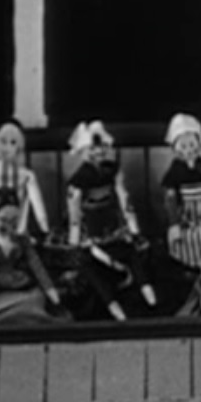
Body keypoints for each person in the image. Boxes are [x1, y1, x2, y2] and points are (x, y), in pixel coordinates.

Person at [65, 120, 156, 320]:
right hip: (92, 234)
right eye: (92, 148)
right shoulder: (78, 181)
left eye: (101, 147)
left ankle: (146, 289)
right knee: (90, 269)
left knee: (133, 253)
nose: (98, 152)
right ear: (82, 151)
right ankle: (111, 303)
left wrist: (133, 228)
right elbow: (74, 215)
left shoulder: (113, 171)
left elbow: (124, 199)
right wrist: (74, 241)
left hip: (114, 227)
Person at [0, 119, 51, 237]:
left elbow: (38, 206)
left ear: (20, 146)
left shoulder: (27, 175)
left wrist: (45, 228)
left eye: (13, 142)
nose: (7, 147)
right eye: (3, 141)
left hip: (17, 228)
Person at [161, 113, 201, 270]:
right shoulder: (175, 170)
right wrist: (174, 222)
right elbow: (170, 196)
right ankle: (189, 268)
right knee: (185, 236)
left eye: (192, 145)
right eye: (183, 146)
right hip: (185, 213)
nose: (188, 150)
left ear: (199, 144)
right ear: (175, 149)